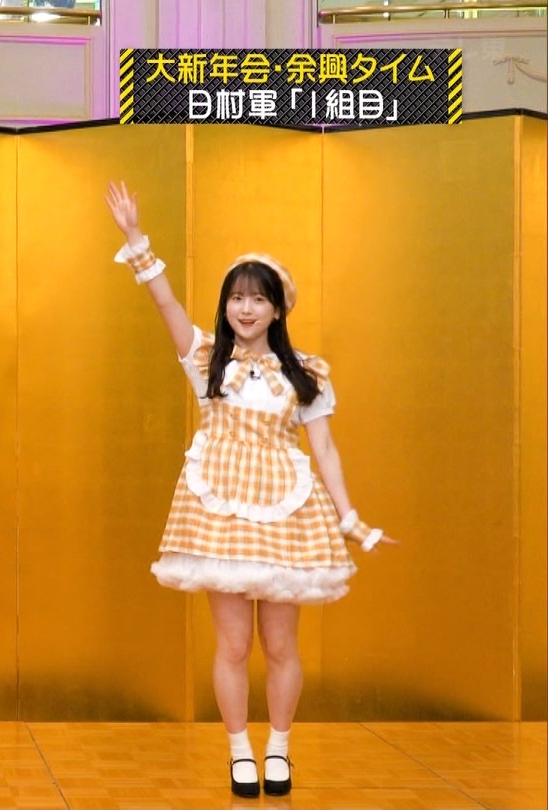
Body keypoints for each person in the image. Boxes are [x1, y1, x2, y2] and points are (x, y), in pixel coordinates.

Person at [104, 181, 397, 798]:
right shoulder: (205, 357)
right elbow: (164, 303)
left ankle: (279, 749)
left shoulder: (307, 373)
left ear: (278, 309)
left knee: (281, 644)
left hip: (286, 508)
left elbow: (325, 450)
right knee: (233, 643)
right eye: (236, 297)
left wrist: (352, 519)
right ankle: (239, 751)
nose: (245, 308)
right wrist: (136, 238)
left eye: (258, 298)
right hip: (221, 505)